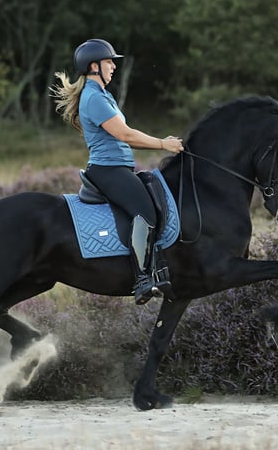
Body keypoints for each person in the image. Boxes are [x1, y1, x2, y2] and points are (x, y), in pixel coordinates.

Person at [51, 38, 183, 304]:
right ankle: (143, 279)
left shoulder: (102, 95)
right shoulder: (93, 97)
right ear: (94, 66)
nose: (113, 66)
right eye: (109, 62)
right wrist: (163, 144)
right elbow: (125, 134)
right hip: (107, 170)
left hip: (117, 168)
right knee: (145, 211)